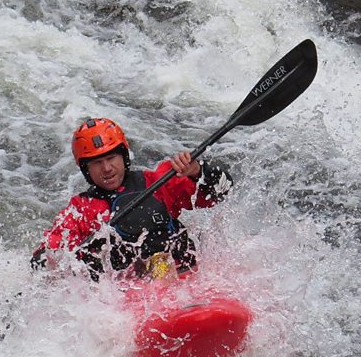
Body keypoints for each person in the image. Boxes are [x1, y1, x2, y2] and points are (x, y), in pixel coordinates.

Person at [32, 117, 233, 280]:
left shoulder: (159, 181)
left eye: (111, 158)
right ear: (86, 169)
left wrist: (197, 171)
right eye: (97, 163)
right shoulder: (81, 210)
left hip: (183, 275)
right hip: (132, 295)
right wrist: (46, 260)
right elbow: (52, 247)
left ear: (123, 156)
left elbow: (221, 191)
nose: (107, 168)